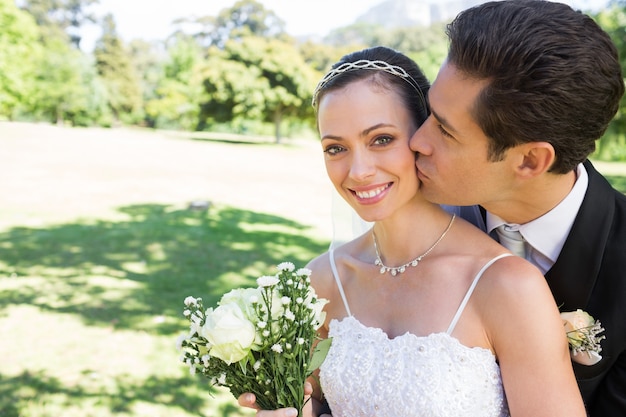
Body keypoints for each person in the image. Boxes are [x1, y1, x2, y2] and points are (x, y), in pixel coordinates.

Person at [240, 45, 585, 417]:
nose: (358, 171)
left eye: (381, 139)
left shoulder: (505, 284)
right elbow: (318, 401)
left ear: (422, 135)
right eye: (336, 148)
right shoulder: (321, 281)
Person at [407, 1, 626, 416]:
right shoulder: (416, 221)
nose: (416, 141)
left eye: (445, 131)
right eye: (429, 111)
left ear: (529, 161)